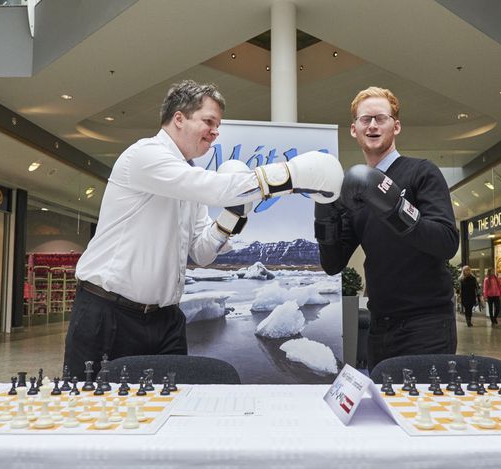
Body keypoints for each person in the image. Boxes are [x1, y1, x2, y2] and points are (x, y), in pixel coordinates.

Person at [63, 80, 343, 379]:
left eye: (218, 125)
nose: (215, 131)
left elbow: (202, 252)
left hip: (166, 319)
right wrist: (290, 174)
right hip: (109, 314)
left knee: (174, 409)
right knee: (95, 413)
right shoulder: (145, 155)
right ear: (179, 118)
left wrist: (231, 218)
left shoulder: (187, 178)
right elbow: (216, 189)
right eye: (208, 121)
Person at [314, 86, 459, 371]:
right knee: (385, 411)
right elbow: (332, 264)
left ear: (396, 125)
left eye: (380, 118)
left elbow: (446, 242)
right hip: (380, 325)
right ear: (354, 130)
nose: (372, 125)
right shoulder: (353, 190)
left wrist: (395, 208)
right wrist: (325, 213)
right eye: (365, 119)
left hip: (427, 323)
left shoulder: (422, 172)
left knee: (423, 412)